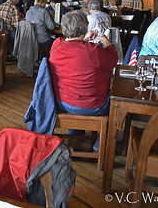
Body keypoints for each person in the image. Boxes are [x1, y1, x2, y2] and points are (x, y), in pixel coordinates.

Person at [49, 11, 117, 150]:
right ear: (84, 28)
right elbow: (112, 61)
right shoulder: (93, 51)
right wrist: (107, 43)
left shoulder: (56, 45)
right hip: (92, 106)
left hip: (60, 102)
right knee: (118, 106)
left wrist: (83, 40)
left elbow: (73, 48)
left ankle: (76, 134)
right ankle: (99, 144)